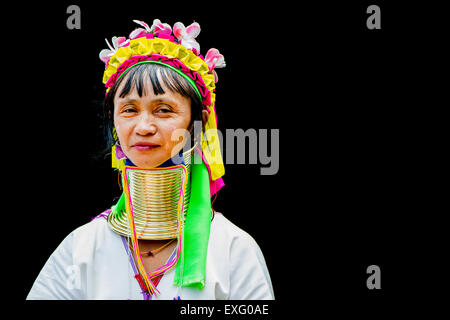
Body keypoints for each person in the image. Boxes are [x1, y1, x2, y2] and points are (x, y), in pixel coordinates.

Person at [27, 19, 274, 300]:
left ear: (197, 125)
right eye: (129, 109)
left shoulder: (233, 250)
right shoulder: (81, 249)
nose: (143, 126)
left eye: (164, 110)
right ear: (114, 122)